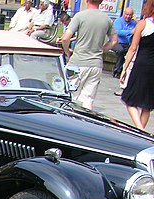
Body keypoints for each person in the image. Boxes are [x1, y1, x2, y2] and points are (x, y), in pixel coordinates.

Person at [60, 0, 116, 110]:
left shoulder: (80, 16)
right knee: (88, 98)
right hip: (96, 63)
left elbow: (65, 38)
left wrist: (68, 52)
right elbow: (114, 41)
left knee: (70, 94)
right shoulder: (107, 19)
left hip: (78, 61)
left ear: (87, 1)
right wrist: (102, 50)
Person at [120, 0, 154, 130]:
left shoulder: (142, 24)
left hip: (142, 64)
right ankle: (141, 133)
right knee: (147, 105)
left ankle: (140, 129)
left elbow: (133, 48)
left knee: (129, 99)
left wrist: (124, 68)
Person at [112, 7, 137, 78]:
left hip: (127, 44)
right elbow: (118, 32)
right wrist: (130, 32)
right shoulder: (118, 21)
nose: (128, 16)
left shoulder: (133, 23)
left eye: (130, 15)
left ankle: (126, 71)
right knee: (121, 51)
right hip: (116, 42)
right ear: (124, 14)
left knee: (131, 52)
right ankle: (117, 71)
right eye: (127, 14)